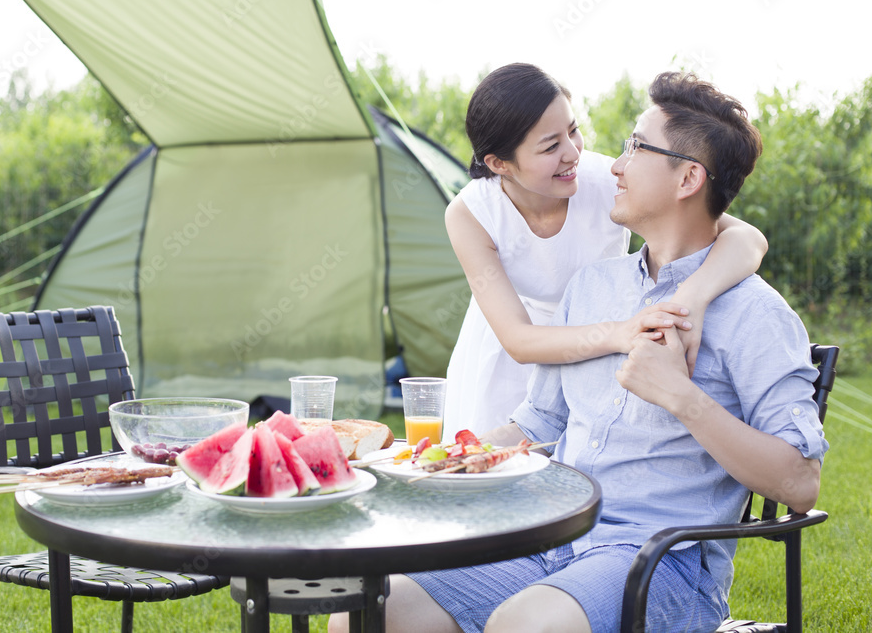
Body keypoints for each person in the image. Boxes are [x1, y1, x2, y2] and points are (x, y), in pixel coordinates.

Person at [329, 71, 828, 633]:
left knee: (525, 625)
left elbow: (799, 485)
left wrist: (683, 398)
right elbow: (539, 422)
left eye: (635, 147)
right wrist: (414, 460)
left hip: (659, 560)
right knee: (365, 608)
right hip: (551, 537)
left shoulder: (756, 315)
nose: (611, 164)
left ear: (689, 178)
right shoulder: (592, 289)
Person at [442, 63, 769, 440]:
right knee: (488, 471)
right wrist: (622, 333)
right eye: (551, 146)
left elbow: (748, 240)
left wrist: (692, 297)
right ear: (500, 164)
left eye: (573, 131)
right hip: (508, 363)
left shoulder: (604, 181)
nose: (572, 153)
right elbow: (518, 340)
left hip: (596, 359)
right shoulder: (473, 213)